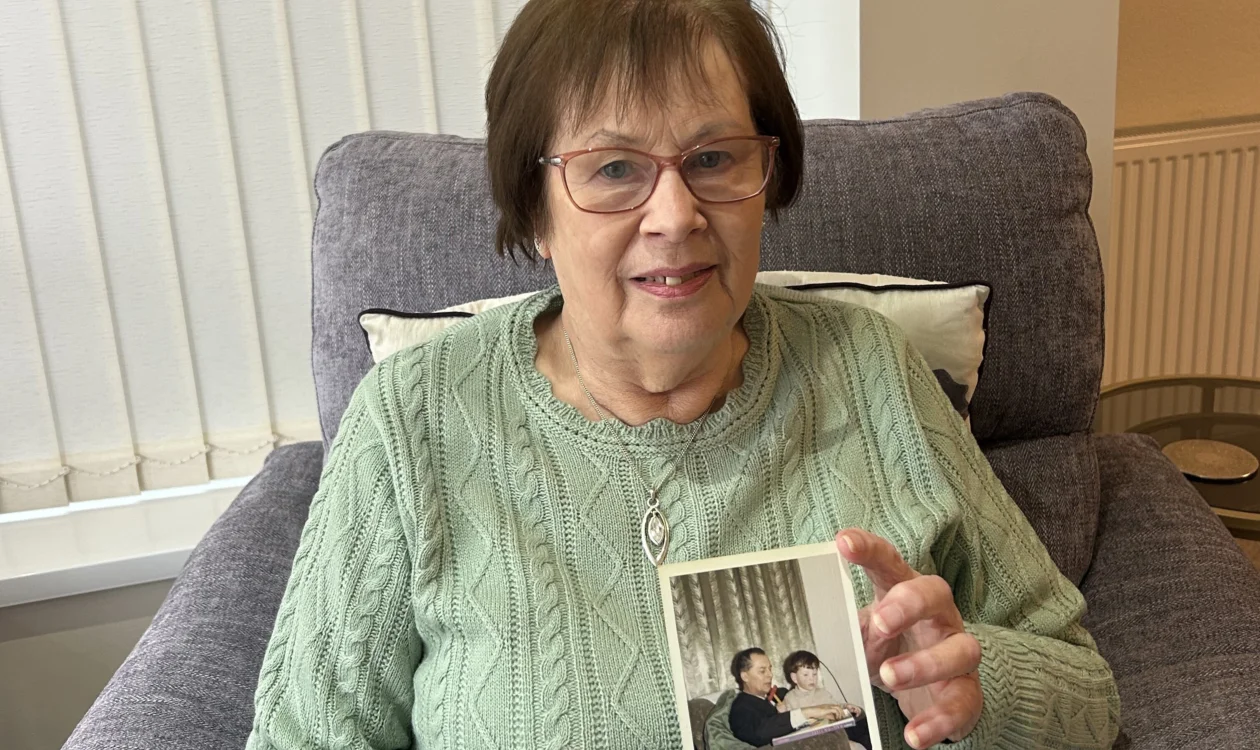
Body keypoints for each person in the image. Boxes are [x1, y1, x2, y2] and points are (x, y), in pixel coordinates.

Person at [244, 0, 1121, 748]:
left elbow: (1087, 690)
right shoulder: (413, 421)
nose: (675, 215)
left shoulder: (871, 371)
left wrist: (977, 686)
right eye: (615, 168)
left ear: (766, 178)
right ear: (535, 209)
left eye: (713, 159)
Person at [728, 648, 870, 749]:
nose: (770, 675)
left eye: (770, 669)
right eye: (762, 671)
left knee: (864, 722)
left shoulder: (777, 695)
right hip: (811, 743)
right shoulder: (741, 707)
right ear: (745, 676)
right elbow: (759, 733)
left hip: (832, 732)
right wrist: (809, 711)